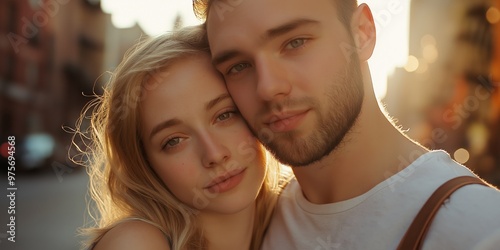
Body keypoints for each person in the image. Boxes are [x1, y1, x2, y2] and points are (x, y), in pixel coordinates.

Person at [193, 0, 500, 249]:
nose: (267, 87)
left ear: (362, 33)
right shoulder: (250, 218)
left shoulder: (480, 228)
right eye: (238, 66)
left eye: (295, 42)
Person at [72, 25, 288, 250]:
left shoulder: (302, 222)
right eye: (174, 141)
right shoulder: (136, 243)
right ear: (145, 165)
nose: (214, 154)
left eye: (224, 115)